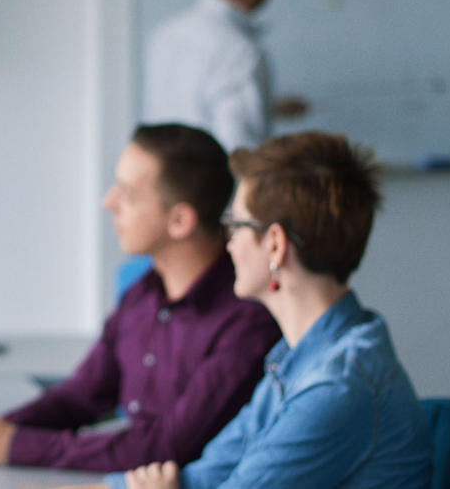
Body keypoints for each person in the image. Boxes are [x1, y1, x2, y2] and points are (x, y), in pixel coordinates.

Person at [0, 124, 278, 472]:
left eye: (127, 194)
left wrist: (15, 444)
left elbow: (167, 448)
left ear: (180, 221)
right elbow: (80, 397)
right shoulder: (143, 295)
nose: (108, 202)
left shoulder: (246, 319)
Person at [108, 132, 432, 489]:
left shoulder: (335, 387)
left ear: (275, 245)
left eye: (236, 224)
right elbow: (198, 477)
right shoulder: (297, 358)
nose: (228, 241)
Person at [143, 0, 305, 152]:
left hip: (163, 183)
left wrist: (266, 108)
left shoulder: (164, 35)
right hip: (211, 187)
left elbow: (188, 111)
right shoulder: (242, 52)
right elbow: (239, 152)